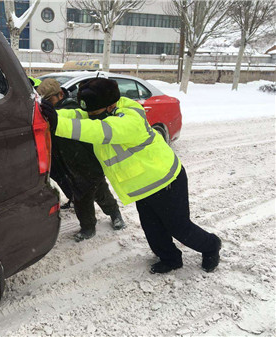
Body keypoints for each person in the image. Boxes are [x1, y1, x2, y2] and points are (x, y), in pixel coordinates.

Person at [40, 78, 221, 273]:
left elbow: (101, 131)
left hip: (165, 181)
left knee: (179, 228)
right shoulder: (99, 111)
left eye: (95, 114)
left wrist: (58, 124)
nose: (90, 117)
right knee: (152, 228)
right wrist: (49, 114)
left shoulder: (130, 119)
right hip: (142, 187)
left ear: (111, 106)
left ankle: (211, 246)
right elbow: (79, 114)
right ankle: (170, 259)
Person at [37, 78, 125, 242]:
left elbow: (71, 122)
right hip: (69, 165)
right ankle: (98, 222)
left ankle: (105, 219)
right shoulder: (47, 113)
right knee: (88, 197)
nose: (48, 104)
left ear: (60, 94)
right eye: (45, 102)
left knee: (94, 195)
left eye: (50, 100)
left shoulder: (74, 108)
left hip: (88, 162)